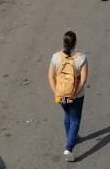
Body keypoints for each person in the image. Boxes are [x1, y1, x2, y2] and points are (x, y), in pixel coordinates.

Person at [47, 29, 88, 162]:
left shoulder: (56, 57)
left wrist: (56, 92)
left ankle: (71, 137)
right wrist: (75, 94)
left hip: (61, 95)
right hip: (76, 95)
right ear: (75, 43)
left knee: (67, 115)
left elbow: (51, 76)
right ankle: (68, 148)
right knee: (75, 119)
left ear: (64, 42)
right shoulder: (81, 58)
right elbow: (83, 80)